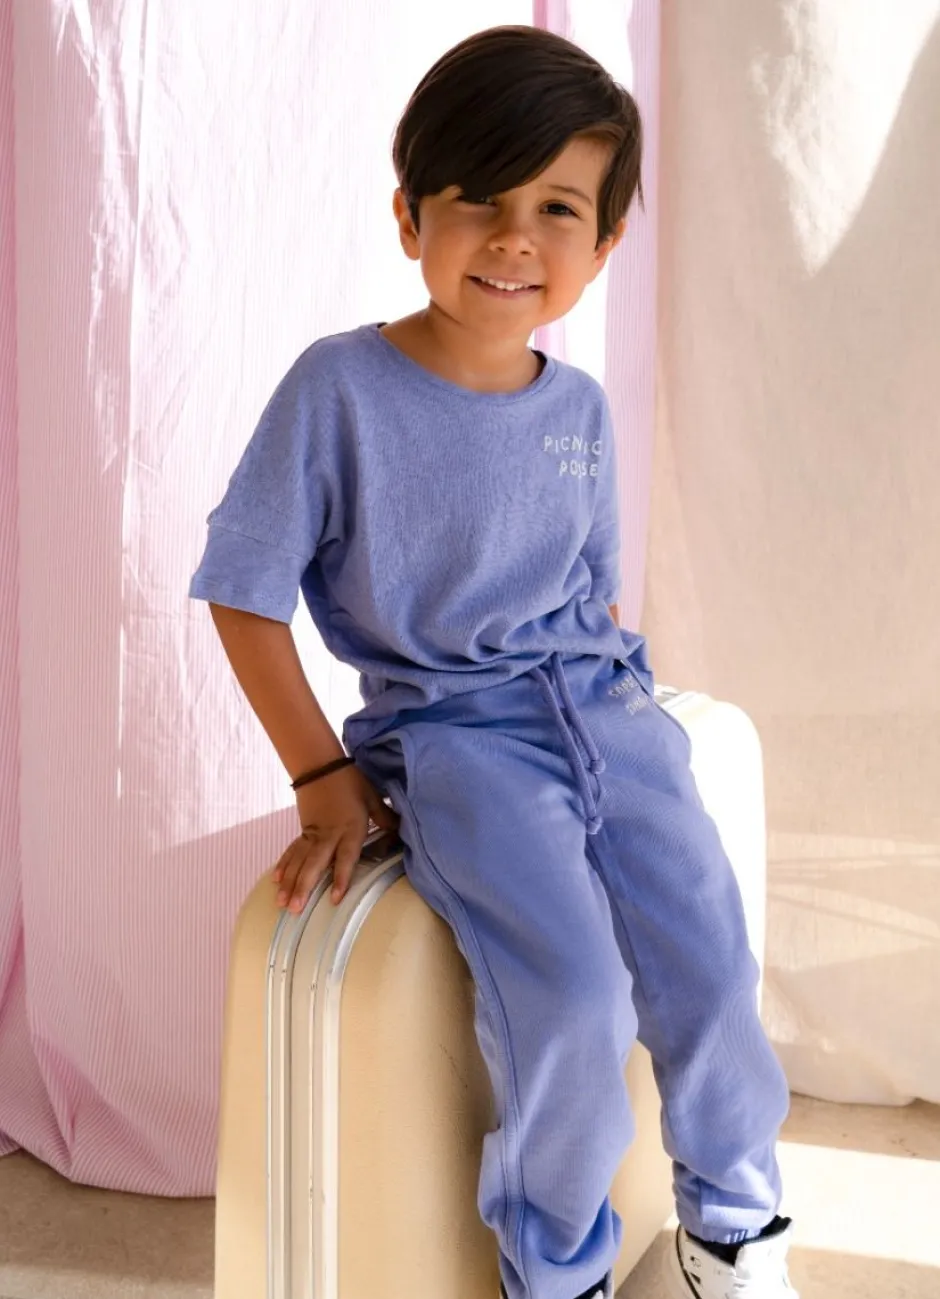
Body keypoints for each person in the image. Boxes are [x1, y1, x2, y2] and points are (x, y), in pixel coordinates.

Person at [189, 24, 797, 1299]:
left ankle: (733, 1235)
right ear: (410, 215)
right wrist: (321, 777)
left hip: (611, 718)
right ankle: (557, 1275)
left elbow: (591, 596)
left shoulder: (577, 409)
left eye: (557, 209)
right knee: (571, 1001)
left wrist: (627, 745)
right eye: (479, 199)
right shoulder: (338, 390)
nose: (515, 238)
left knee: (711, 970)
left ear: (604, 245)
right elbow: (241, 594)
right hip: (458, 741)